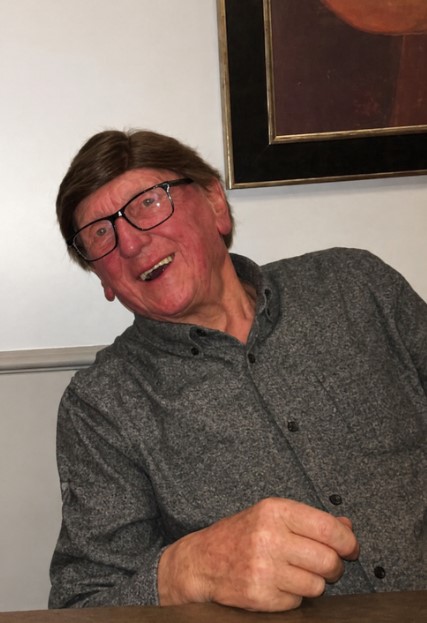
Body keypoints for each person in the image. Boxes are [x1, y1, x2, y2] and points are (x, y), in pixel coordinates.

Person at [49, 128, 427, 612]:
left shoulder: (356, 287)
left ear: (215, 203)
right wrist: (188, 569)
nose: (130, 243)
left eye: (148, 202)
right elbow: (82, 605)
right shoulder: (101, 406)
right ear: (103, 280)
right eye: (101, 234)